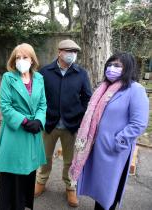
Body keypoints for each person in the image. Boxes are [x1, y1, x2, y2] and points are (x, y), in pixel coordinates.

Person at [69, 52, 149, 210]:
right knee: (99, 190)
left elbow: (139, 123)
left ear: (128, 68)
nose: (112, 68)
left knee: (108, 193)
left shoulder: (135, 89)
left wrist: (117, 141)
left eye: (117, 66)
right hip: (96, 148)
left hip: (113, 150)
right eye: (110, 65)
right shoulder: (104, 87)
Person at [35, 39, 92, 207]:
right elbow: (38, 97)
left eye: (74, 52)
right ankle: (41, 181)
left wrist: (79, 117)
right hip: (49, 124)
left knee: (70, 160)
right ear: (59, 52)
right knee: (44, 157)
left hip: (71, 125)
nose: (71, 55)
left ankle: (70, 187)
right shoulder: (45, 72)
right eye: (68, 51)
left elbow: (87, 98)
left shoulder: (81, 73)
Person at [0, 43, 47, 210]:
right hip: (15, 132)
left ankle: (23, 205)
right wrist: (24, 121)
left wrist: (38, 120)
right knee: (12, 174)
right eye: (18, 57)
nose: (21, 60)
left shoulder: (39, 78)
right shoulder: (9, 78)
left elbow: (43, 104)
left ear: (32, 60)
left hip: (33, 132)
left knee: (29, 172)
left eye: (25, 57)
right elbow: (5, 105)